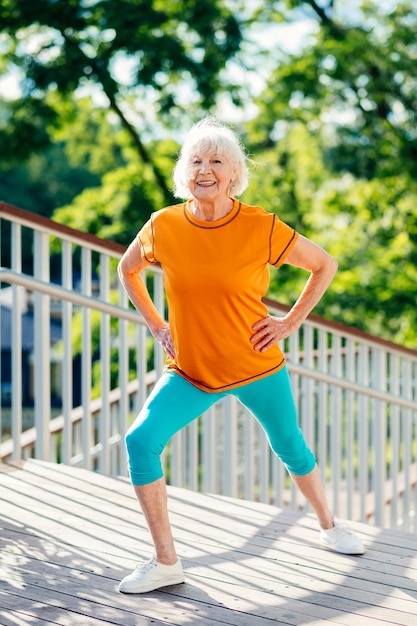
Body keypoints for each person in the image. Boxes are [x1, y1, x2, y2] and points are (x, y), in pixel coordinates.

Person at [117, 117, 364, 594]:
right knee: (140, 441)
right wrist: (156, 323)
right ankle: (166, 562)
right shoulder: (163, 225)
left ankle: (330, 525)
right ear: (183, 171)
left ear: (233, 173)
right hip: (191, 370)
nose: (204, 170)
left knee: (290, 445)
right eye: (195, 160)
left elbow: (323, 264)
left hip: (256, 364)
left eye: (216, 161)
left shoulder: (260, 226)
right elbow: (128, 271)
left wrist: (289, 322)